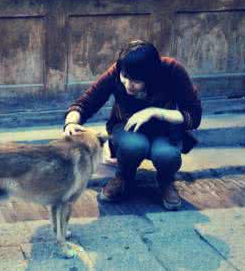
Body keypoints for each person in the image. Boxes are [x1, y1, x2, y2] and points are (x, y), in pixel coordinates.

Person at [63, 40, 202, 210]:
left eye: (136, 81)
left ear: (151, 76)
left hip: (164, 132)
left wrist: (153, 112)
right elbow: (87, 102)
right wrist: (71, 121)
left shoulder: (172, 71)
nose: (128, 85)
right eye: (125, 78)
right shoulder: (118, 71)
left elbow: (194, 116)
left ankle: (166, 181)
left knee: (166, 155)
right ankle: (124, 178)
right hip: (127, 128)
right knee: (134, 146)